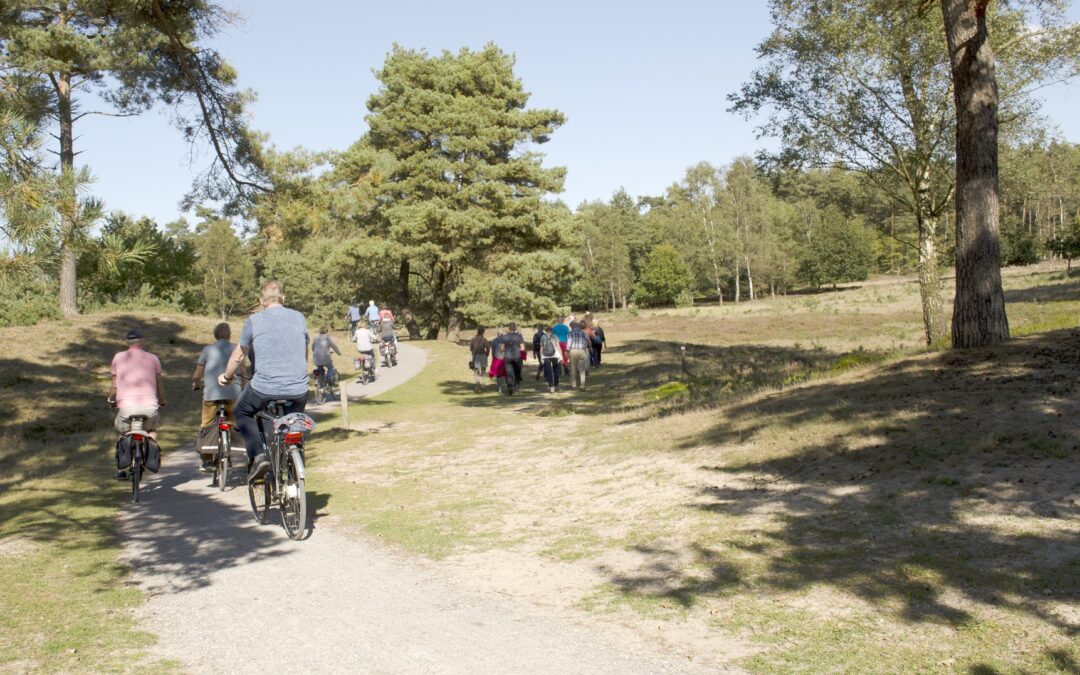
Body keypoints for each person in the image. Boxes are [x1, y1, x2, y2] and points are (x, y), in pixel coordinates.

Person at [218, 279, 308, 474]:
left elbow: (239, 355)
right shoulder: (299, 317)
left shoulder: (253, 320)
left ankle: (258, 455)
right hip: (299, 386)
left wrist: (226, 377)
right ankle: (296, 452)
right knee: (293, 419)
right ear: (283, 298)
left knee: (242, 411)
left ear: (262, 301)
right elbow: (304, 350)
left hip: (264, 387)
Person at [108, 328, 164, 478]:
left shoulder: (118, 358)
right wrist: (162, 400)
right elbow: (159, 384)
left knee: (122, 432)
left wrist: (111, 399)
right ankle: (149, 459)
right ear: (142, 342)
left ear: (127, 342)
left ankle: (121, 470)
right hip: (149, 407)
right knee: (151, 430)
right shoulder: (153, 358)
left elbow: (114, 385)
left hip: (126, 408)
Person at [192, 322, 242, 471]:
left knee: (206, 425)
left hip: (211, 395)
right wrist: (244, 385)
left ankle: (207, 460)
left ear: (215, 335)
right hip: (233, 393)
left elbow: (198, 372)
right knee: (233, 422)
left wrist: (195, 382)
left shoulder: (207, 349)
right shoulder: (236, 348)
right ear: (229, 334)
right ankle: (233, 449)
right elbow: (243, 369)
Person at [501, 322, 527, 395]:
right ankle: (516, 387)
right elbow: (522, 348)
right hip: (517, 357)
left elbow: (502, 348)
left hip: (508, 357)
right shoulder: (519, 337)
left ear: (509, 328)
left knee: (509, 373)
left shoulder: (505, 337)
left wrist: (506, 349)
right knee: (517, 373)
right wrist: (517, 348)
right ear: (515, 328)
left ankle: (510, 387)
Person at [566, 321, 591, 391]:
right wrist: (584, 348)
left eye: (570, 326)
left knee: (573, 368)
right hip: (582, 351)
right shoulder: (583, 332)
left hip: (573, 351)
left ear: (572, 326)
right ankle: (582, 385)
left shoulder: (570, 333)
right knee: (582, 370)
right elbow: (586, 341)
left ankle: (574, 385)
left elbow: (569, 343)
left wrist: (567, 352)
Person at [539, 325, 563, 394]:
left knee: (548, 371)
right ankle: (556, 385)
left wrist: (541, 356)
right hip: (555, 355)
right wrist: (561, 355)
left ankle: (551, 386)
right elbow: (558, 346)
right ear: (552, 330)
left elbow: (541, 348)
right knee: (556, 370)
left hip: (546, 356)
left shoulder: (543, 337)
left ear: (546, 330)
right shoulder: (555, 336)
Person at [469, 327, 490, 393]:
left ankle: (477, 385)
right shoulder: (484, 340)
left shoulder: (473, 339)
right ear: (483, 332)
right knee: (483, 370)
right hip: (483, 356)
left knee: (476, 371)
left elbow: (471, 349)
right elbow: (488, 349)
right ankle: (483, 385)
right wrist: (487, 354)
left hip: (475, 356)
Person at [488, 326, 507, 394]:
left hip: (497, 358)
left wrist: (493, 357)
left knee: (499, 374)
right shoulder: (505, 340)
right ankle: (507, 386)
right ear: (502, 334)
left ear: (497, 334)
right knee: (506, 373)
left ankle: (500, 388)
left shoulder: (494, 341)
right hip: (505, 358)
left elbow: (493, 351)